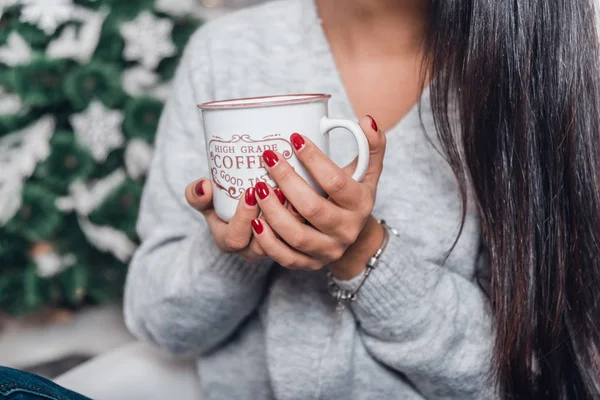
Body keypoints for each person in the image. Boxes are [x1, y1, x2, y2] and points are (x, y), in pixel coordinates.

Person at [1, 0, 598, 398]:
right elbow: (160, 323)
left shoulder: (538, 72)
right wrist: (235, 250)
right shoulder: (227, 51)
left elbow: (536, 371)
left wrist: (367, 257)